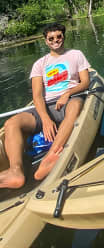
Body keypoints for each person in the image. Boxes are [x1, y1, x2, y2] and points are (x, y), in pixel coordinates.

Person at [0, 22, 91, 188]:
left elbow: (85, 82)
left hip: (71, 99)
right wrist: (45, 119)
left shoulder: (76, 55)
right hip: (46, 105)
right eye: (51, 38)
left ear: (63, 37)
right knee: (11, 123)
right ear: (46, 41)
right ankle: (15, 171)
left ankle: (50, 157)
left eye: (59, 37)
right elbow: (37, 95)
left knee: (75, 108)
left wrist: (67, 93)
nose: (56, 40)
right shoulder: (40, 64)